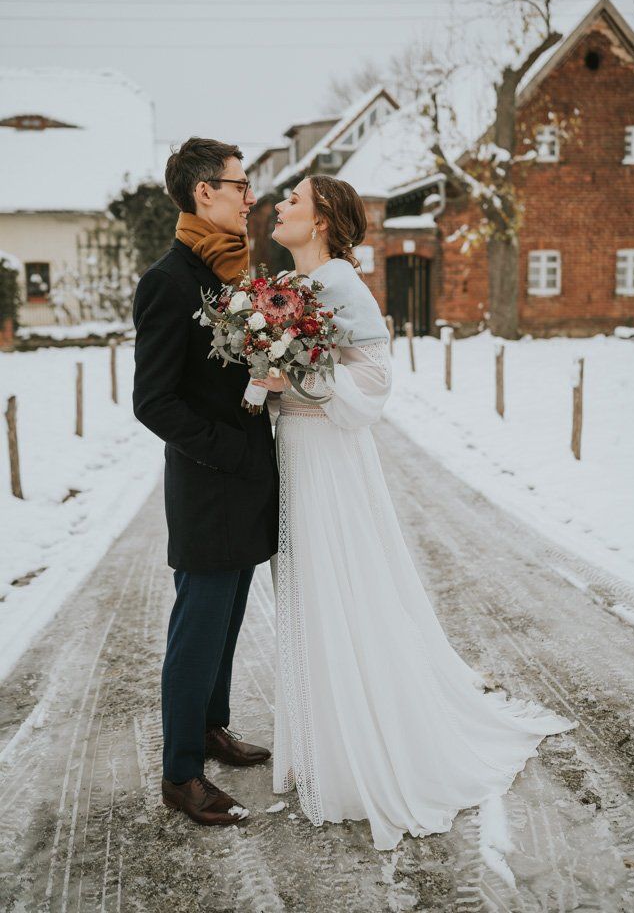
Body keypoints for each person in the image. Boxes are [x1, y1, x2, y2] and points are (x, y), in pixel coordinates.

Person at [251, 174, 578, 851]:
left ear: (319, 221)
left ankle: (357, 748)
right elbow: (292, 373)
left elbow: (372, 387)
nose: (277, 207)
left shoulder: (338, 283)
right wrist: (266, 382)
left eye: (292, 201)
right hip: (299, 450)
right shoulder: (295, 286)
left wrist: (294, 378)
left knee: (340, 587)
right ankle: (322, 741)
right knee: (310, 589)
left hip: (330, 458)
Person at [132, 138, 279, 827]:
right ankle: (180, 773)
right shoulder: (168, 281)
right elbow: (153, 401)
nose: (250, 197)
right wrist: (230, 449)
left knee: (227, 623)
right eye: (239, 185)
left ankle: (213, 727)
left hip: (247, 480)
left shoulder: (229, 275)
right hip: (207, 485)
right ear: (203, 194)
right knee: (196, 629)